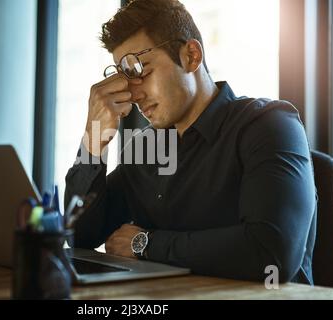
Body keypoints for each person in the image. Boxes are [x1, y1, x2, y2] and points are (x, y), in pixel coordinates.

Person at [64, 0, 316, 284]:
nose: (134, 94)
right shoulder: (148, 148)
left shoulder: (270, 125)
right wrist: (94, 138)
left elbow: (271, 255)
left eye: (140, 70)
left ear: (191, 56)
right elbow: (80, 236)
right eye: (124, 77)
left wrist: (146, 244)